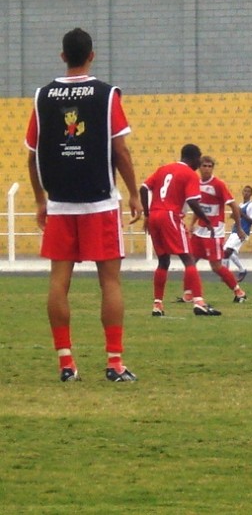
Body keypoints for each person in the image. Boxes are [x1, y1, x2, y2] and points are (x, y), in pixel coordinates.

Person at [25, 27, 143, 382]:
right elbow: (120, 150)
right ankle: (115, 362)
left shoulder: (43, 96)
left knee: (58, 283)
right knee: (110, 283)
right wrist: (135, 193)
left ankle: (66, 363)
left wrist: (40, 199)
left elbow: (32, 156)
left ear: (63, 56)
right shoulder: (107, 95)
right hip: (100, 203)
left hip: (60, 203)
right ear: (92, 54)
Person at [141, 144, 222, 317]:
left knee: (163, 261)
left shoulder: (164, 168)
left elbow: (143, 188)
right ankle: (199, 302)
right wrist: (206, 220)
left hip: (154, 215)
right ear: (193, 158)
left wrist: (147, 215)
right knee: (188, 259)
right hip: (170, 215)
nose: (200, 162)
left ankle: (157, 305)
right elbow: (193, 202)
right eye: (199, 158)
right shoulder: (189, 174)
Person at [181, 156, 247, 304]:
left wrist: (239, 228)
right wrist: (192, 224)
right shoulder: (195, 183)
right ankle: (188, 293)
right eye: (204, 165)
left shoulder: (218, 185)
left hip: (214, 231)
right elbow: (198, 206)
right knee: (190, 261)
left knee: (216, 266)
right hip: (200, 230)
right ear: (199, 167)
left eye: (210, 166)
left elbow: (234, 206)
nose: (207, 168)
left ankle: (238, 291)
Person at [223, 185, 252, 282]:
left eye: (248, 191)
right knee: (227, 251)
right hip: (235, 231)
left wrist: (241, 214)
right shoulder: (241, 205)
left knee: (227, 252)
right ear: (242, 192)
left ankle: (226, 275)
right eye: (244, 191)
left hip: (243, 231)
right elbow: (237, 217)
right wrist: (234, 216)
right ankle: (242, 270)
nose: (246, 193)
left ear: (251, 194)